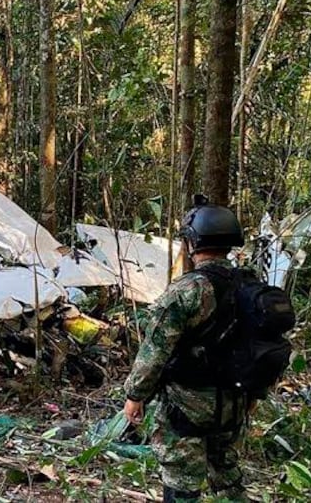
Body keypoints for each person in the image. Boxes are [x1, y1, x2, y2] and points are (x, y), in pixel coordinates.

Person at [122, 197, 249, 503]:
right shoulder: (249, 285)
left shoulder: (187, 291)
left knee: (181, 484)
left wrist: (135, 396)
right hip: (234, 403)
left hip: (187, 407)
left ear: (193, 242)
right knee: (228, 476)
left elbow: (154, 352)